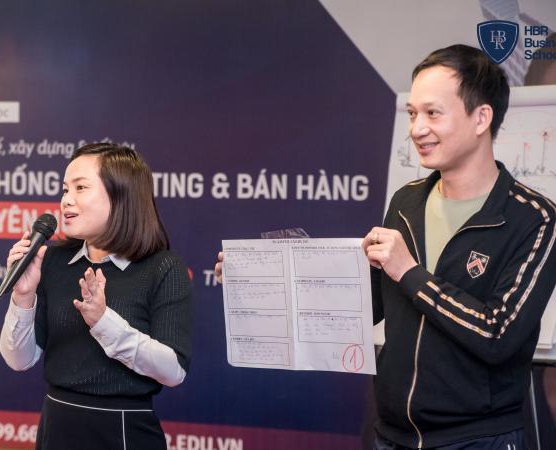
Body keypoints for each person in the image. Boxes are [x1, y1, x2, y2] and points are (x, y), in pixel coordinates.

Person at [214, 44, 556, 449]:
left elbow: (498, 336)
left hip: (476, 439)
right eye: (412, 113)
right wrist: (259, 283)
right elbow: (365, 307)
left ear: (481, 117)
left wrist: (410, 273)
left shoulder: (533, 218)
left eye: (433, 113)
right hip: (391, 435)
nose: (417, 129)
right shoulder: (407, 201)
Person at [0, 143, 192, 450]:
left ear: (121, 195)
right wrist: (23, 297)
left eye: (81, 188)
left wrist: (104, 322)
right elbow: (19, 360)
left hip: (125, 432)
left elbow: (173, 371)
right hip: (56, 428)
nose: (66, 200)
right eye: (65, 189)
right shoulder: (53, 260)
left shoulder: (162, 267)